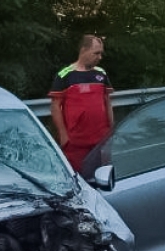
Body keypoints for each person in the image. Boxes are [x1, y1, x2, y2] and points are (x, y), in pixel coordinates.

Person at [49, 35, 115, 172]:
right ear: (84, 50)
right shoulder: (65, 75)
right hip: (75, 142)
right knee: (80, 179)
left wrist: (112, 130)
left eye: (101, 53)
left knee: (102, 176)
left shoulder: (101, 74)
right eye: (96, 53)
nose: (100, 57)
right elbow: (55, 106)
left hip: (101, 139)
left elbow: (108, 102)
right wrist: (63, 135)